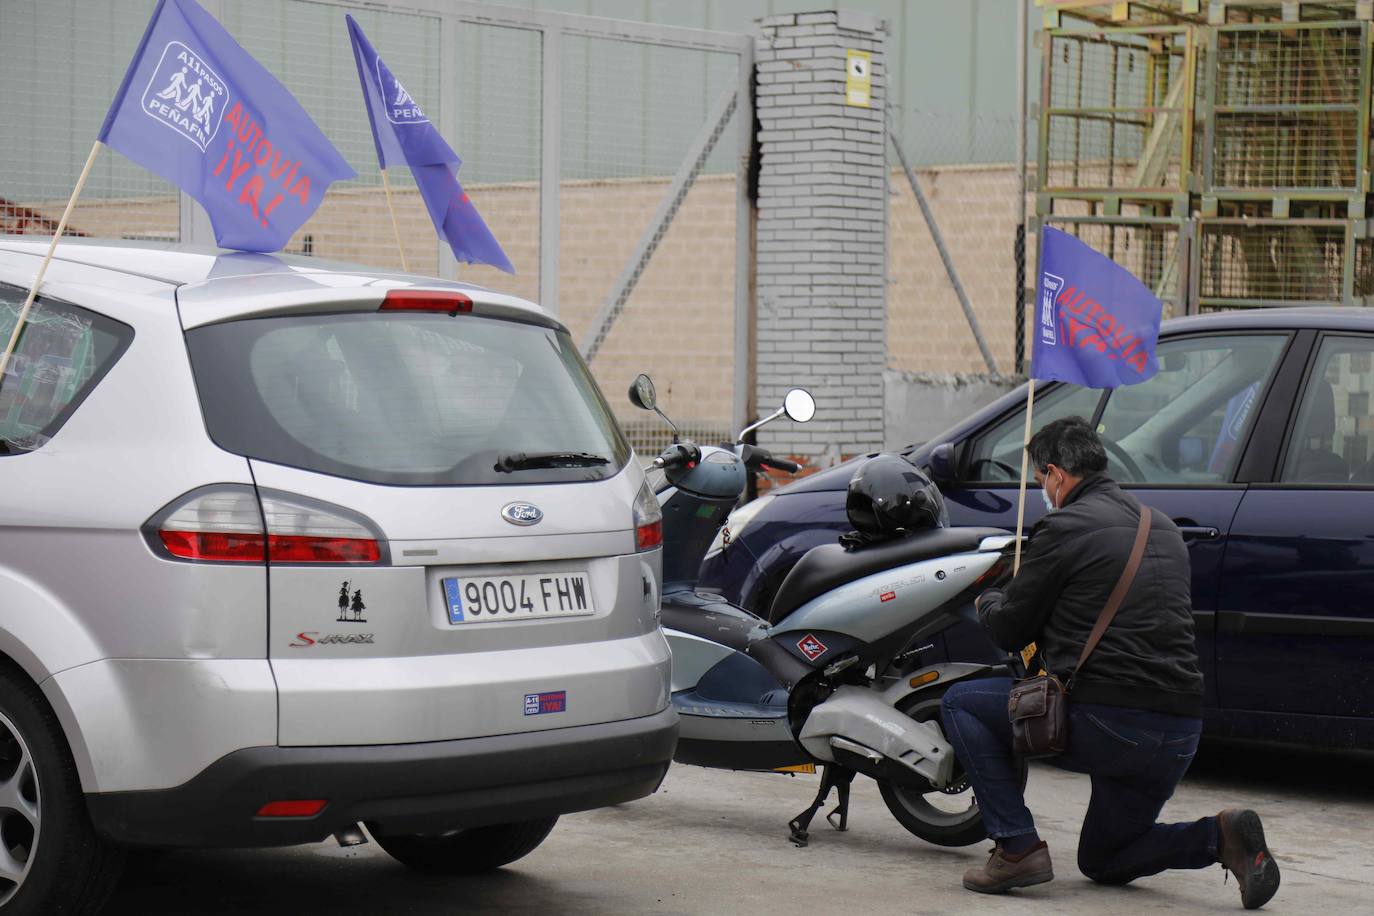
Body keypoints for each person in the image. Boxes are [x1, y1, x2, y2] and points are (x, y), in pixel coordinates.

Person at [940, 416, 1280, 910]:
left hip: (1111, 723)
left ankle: (1016, 847)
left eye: (1040, 482)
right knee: (1104, 858)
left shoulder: (1064, 526)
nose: (1043, 492)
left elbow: (1010, 630)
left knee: (961, 704)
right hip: (1181, 729)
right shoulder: (1159, 526)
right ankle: (1220, 837)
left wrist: (988, 598)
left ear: (1055, 475)